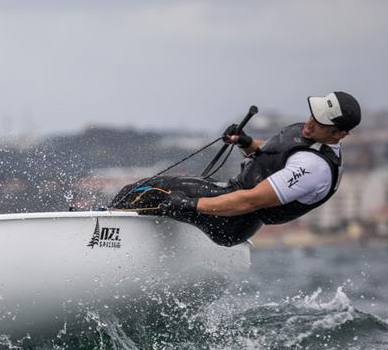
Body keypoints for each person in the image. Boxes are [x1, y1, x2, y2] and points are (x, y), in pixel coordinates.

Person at [110, 91, 361, 246]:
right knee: (146, 188)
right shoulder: (308, 136)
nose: (310, 123)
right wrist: (247, 142)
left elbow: (251, 201)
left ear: (339, 134)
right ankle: (104, 221)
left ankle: (98, 230)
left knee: (154, 192)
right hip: (229, 196)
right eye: (313, 115)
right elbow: (275, 156)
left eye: (321, 123)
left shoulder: (314, 168)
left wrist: (189, 205)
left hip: (233, 220)